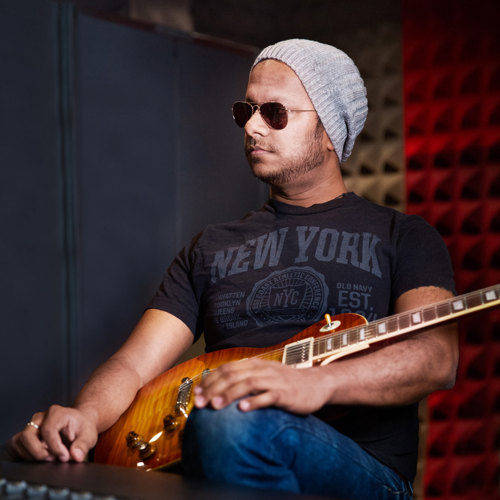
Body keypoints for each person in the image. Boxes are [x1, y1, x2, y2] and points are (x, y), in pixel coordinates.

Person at [8, 39, 458, 499]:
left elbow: (436, 358)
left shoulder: (403, 235)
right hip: (212, 450)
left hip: (359, 470)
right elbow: (133, 363)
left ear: (329, 128)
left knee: (230, 420)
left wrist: (317, 383)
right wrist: (84, 416)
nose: (253, 128)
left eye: (275, 113)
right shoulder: (210, 245)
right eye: (246, 111)